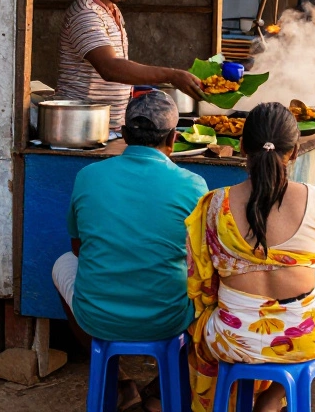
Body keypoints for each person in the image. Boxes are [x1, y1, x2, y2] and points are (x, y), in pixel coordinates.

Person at [52, 92, 208, 411]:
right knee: (203, 287)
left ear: (123, 135)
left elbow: (78, 248)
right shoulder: (193, 185)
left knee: (61, 265)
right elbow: (201, 262)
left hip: (99, 317)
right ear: (174, 138)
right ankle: (164, 391)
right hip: (168, 319)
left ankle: (119, 379)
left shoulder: (88, 176)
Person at [186, 102, 315, 412]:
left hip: (232, 337)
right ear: (294, 151)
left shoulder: (215, 204)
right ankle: (272, 399)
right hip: (305, 337)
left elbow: (204, 283)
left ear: (242, 146)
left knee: (203, 325)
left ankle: (243, 399)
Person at [56, 0, 204, 129]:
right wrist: (172, 75)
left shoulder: (111, 10)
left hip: (107, 128)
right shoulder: (86, 14)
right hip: (81, 129)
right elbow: (110, 68)